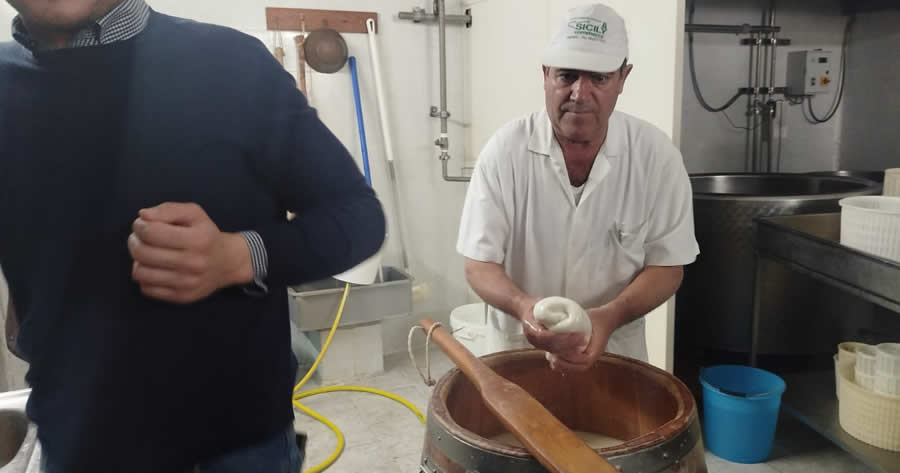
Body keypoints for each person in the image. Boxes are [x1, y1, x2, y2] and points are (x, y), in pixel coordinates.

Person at [0, 0, 386, 471]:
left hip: (234, 448)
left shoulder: (231, 64)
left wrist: (240, 256)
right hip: (72, 441)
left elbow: (358, 217)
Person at [457, 3, 699, 370]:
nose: (579, 93)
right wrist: (523, 306)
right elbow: (479, 263)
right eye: (566, 75)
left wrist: (610, 316)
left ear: (623, 78)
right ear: (546, 74)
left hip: (615, 351)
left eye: (599, 78)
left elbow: (668, 266)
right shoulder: (505, 152)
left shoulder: (656, 157)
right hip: (518, 351)